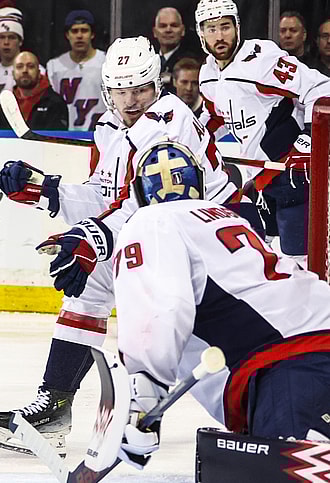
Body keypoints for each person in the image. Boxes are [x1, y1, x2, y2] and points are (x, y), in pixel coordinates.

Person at [0, 36, 259, 456]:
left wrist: (93, 236)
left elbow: (151, 204)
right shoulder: (111, 127)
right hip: (165, 234)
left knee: (188, 331)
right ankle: (56, 406)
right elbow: (106, 194)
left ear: (157, 85)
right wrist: (45, 189)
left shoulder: (170, 122)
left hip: (209, 241)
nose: (131, 100)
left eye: (140, 89)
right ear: (107, 91)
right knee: (92, 284)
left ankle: (256, 408)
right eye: (121, 90)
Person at [111, 140, 330, 473]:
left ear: (139, 194)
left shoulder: (150, 221)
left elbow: (161, 307)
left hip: (293, 365)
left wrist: (142, 400)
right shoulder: (227, 218)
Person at [197, 0, 330, 265]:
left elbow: (321, 89)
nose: (220, 36)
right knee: (260, 260)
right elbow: (213, 115)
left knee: (302, 262)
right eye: (211, 29)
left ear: (237, 27)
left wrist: (308, 142)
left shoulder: (261, 59)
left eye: (225, 26)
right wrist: (193, 137)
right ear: (201, 33)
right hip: (259, 179)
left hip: (292, 174)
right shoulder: (208, 74)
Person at [45, 10, 107, 131]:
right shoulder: (54, 66)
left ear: (92, 34)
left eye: (84, 30)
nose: (79, 36)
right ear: (67, 35)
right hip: (65, 135)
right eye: (74, 31)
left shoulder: (106, 62)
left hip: (98, 135)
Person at [0, 2, 43, 108]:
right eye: (1, 37)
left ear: (20, 41)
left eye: (12, 37)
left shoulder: (36, 72)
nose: (6, 42)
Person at [0, 51, 67, 131]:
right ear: (13, 73)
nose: (25, 70)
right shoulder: (8, 103)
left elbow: (55, 139)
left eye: (30, 66)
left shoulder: (55, 103)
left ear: (39, 73)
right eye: (19, 67)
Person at [152, 7, 201, 91]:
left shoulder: (194, 61)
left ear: (183, 30)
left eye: (174, 25)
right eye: (163, 26)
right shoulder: (148, 61)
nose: (168, 30)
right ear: (155, 32)